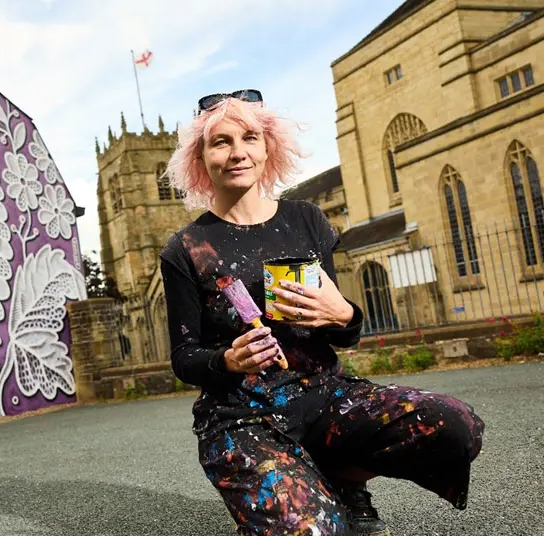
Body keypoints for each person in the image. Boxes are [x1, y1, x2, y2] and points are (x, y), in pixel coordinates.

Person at [158, 90, 485, 536]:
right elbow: (184, 358)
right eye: (221, 141)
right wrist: (226, 361)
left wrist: (345, 313)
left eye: (250, 137)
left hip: (326, 394)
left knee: (455, 425)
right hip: (242, 414)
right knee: (314, 530)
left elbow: (342, 334)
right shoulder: (184, 249)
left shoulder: (306, 220)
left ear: (268, 146)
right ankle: (286, 499)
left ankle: (343, 481)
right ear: (200, 155)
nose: (238, 152)